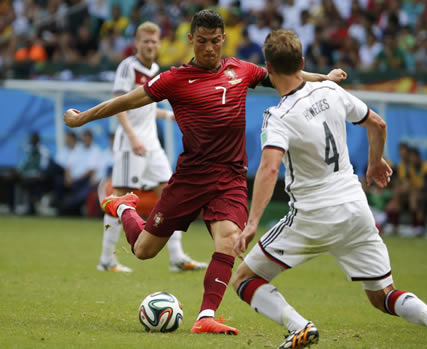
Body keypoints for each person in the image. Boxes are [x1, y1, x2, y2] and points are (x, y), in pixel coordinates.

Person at [63, 10, 347, 335]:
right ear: (191, 40)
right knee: (143, 251)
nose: (209, 48)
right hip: (190, 178)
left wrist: (323, 78)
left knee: (228, 241)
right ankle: (123, 206)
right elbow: (127, 100)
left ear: (223, 39)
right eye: (202, 42)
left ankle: (205, 316)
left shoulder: (241, 69)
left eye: (214, 41)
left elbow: (287, 75)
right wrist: (83, 117)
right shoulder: (174, 79)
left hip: (230, 177)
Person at [231, 29, 427, 349]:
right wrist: (374, 163)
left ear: (268, 68)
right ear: (302, 62)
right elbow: (378, 124)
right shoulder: (330, 90)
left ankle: (298, 326)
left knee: (244, 279)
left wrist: (251, 223)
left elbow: (270, 167)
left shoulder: (277, 116)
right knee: (383, 295)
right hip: (355, 208)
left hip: (312, 214)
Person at [96, 21, 207, 273]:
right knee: (120, 198)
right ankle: (106, 259)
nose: (149, 45)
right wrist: (133, 137)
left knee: (171, 194)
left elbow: (145, 107)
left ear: (159, 44)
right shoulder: (128, 67)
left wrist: (169, 116)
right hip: (129, 143)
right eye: (145, 41)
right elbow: (118, 104)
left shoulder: (156, 69)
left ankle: (177, 257)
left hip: (152, 144)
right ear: (137, 43)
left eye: (153, 41)